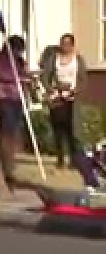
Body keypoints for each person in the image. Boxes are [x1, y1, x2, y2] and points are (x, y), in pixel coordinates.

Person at [41, 33, 88, 169]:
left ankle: (74, 160)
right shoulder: (53, 59)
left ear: (72, 45)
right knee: (58, 129)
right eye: (63, 43)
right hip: (57, 97)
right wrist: (51, 89)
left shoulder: (78, 60)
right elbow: (45, 76)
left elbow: (83, 80)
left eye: (68, 44)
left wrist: (75, 90)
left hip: (72, 98)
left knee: (72, 130)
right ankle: (60, 159)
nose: (65, 46)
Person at [0, 35, 28, 186]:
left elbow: (24, 74)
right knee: (6, 131)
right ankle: (5, 166)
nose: (19, 53)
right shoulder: (0, 59)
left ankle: (10, 164)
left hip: (17, 99)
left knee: (13, 132)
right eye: (18, 49)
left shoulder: (19, 61)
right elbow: (4, 74)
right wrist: (21, 77)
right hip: (4, 98)